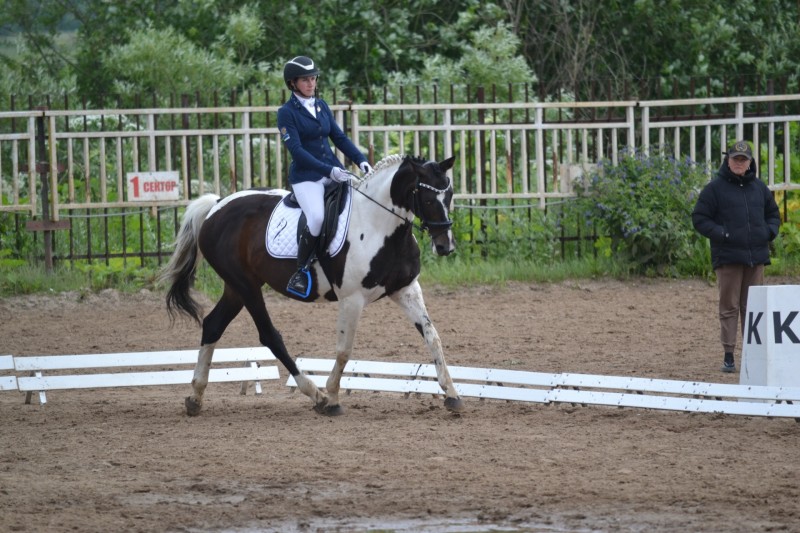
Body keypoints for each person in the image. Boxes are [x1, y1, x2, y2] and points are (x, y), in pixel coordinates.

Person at [277, 56, 372, 298]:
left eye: (313, 78)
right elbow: (297, 151)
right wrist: (328, 170)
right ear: (293, 83)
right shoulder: (286, 113)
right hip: (307, 177)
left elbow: (339, 138)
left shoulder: (322, 106)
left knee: (361, 205)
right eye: (305, 80)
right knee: (317, 218)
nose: (310, 83)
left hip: (334, 170)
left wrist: (361, 160)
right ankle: (301, 271)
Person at [692, 140, 781, 373]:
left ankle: (754, 353)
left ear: (750, 162)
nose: (739, 163)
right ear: (727, 160)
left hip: (756, 257)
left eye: (743, 160)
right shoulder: (714, 189)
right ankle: (729, 354)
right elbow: (700, 218)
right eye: (735, 159)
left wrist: (768, 232)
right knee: (729, 306)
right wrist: (722, 234)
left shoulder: (760, 188)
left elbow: (773, 214)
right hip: (729, 257)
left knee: (753, 307)